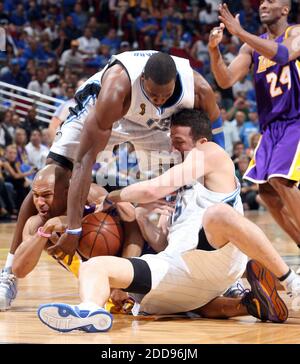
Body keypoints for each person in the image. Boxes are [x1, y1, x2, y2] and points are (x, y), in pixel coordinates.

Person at [0, 50, 225, 310]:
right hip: (112, 113)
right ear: (142, 81)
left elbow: (215, 144)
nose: (160, 100)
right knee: (52, 176)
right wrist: (73, 229)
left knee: (188, 184)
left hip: (156, 125)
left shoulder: (199, 90)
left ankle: (205, 266)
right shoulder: (116, 88)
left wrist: (220, 178)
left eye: (166, 95)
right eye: (154, 95)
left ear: (176, 82)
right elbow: (85, 162)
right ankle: (8, 274)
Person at [37, 109, 297, 333]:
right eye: (171, 140)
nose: (173, 147)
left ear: (201, 141)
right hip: (180, 274)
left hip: (217, 257)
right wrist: (142, 217)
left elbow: (151, 190)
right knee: (94, 266)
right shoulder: (182, 191)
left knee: (218, 214)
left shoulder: (210, 152)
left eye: (179, 140)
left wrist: (114, 196)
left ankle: (292, 282)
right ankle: (89, 312)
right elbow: (162, 243)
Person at [208, 2, 300, 246]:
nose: (264, 4)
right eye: (262, 1)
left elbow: (284, 55)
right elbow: (225, 80)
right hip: (270, 128)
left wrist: (239, 32)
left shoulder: (296, 33)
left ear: (285, 10)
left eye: (271, 0)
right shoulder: (251, 48)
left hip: (295, 120)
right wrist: (214, 51)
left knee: (280, 180)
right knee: (267, 193)